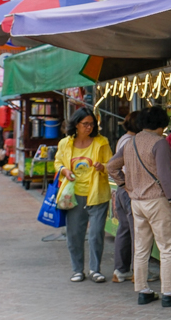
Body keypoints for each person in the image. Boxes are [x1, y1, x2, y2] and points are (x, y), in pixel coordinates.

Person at [107, 106, 171, 308]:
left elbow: (111, 166)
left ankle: (143, 291)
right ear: (161, 125)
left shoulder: (131, 142)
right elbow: (164, 174)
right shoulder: (159, 142)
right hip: (157, 201)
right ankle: (169, 293)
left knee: (142, 247)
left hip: (137, 202)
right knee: (167, 247)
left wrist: (124, 184)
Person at [54, 109, 113, 283]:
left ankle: (95, 269)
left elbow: (111, 163)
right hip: (72, 195)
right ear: (76, 124)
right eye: (85, 124)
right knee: (74, 234)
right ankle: (77, 269)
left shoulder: (101, 142)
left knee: (95, 234)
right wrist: (64, 170)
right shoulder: (65, 143)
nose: (89, 127)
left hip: (97, 193)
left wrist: (102, 167)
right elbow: (58, 162)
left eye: (91, 124)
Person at [111, 112, 142, 283]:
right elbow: (120, 167)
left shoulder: (123, 139)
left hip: (122, 190)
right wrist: (125, 184)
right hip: (130, 189)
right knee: (137, 231)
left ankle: (121, 270)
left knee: (124, 229)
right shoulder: (131, 141)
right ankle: (138, 272)